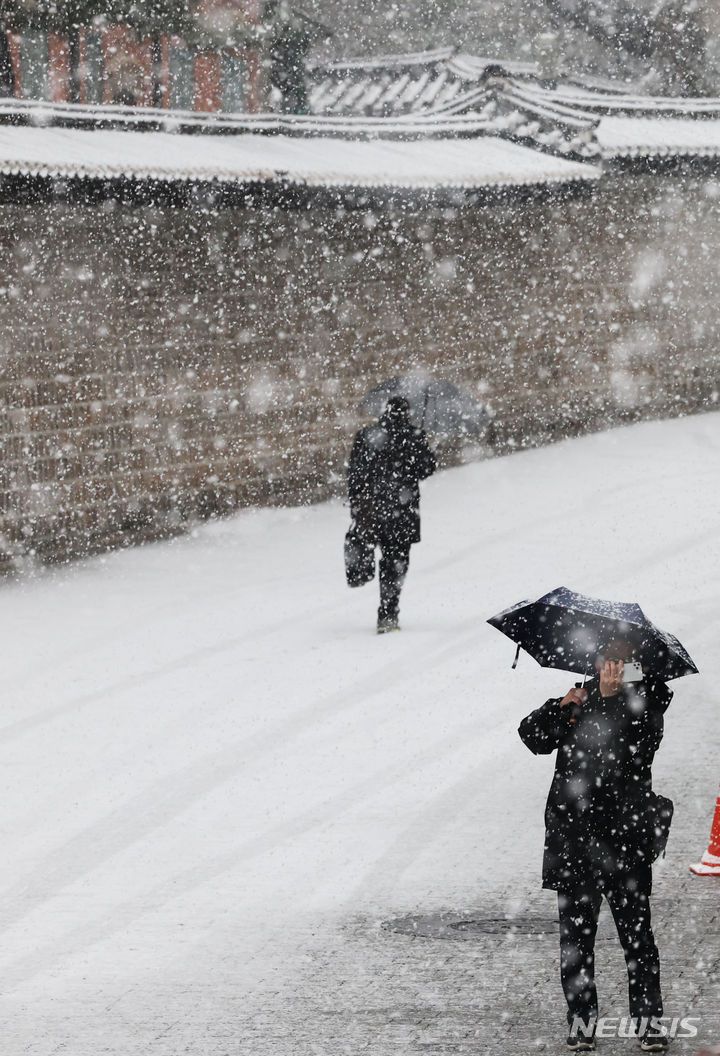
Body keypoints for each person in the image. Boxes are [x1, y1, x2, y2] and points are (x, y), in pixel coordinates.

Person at [518, 639, 672, 1053]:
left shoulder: (647, 704)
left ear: (634, 666)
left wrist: (609, 704)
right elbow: (531, 736)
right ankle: (582, 1021)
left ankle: (649, 1021)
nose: (611, 669)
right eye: (606, 660)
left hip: (624, 842)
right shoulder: (578, 700)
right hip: (574, 843)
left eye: (620, 661)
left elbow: (637, 752)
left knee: (637, 937)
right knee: (576, 940)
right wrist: (561, 708)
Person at [347, 396, 436, 633]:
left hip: (373, 510)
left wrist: (357, 505)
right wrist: (420, 448)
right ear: (406, 413)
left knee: (369, 547)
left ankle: (362, 572)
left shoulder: (367, 436)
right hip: (402, 512)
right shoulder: (413, 437)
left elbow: (354, 473)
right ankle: (388, 611)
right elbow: (427, 469)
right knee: (395, 561)